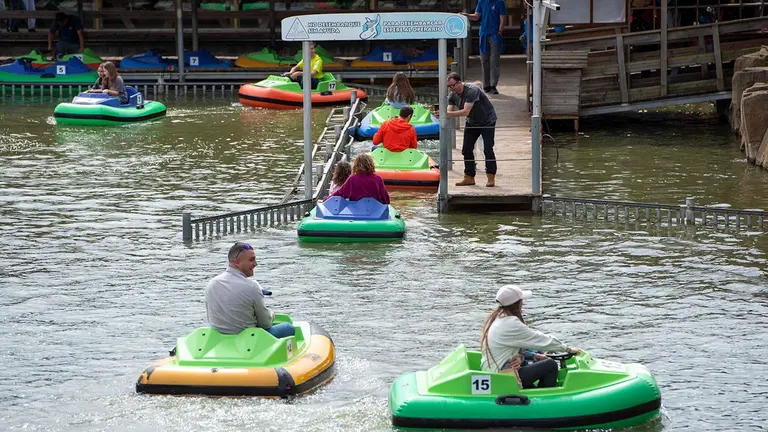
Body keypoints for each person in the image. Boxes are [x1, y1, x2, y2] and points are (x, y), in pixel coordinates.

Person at [480, 285, 582, 389]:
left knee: (536, 362)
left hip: (495, 371)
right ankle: (545, 396)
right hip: (501, 377)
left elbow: (509, 346)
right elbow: (540, 340)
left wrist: (521, 357)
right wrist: (567, 349)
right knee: (550, 365)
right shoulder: (510, 324)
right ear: (517, 304)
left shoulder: (498, 318)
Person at [205, 242, 295, 338]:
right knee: (288, 327)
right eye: (251, 260)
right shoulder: (252, 286)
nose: (255, 264)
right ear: (237, 262)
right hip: (248, 339)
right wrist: (271, 315)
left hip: (219, 338)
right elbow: (265, 324)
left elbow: (210, 319)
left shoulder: (211, 284)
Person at [444, 72, 498, 187]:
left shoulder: (472, 90)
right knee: (466, 149)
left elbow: (465, 111)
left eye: (452, 85)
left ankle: (490, 176)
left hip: (487, 121)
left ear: (459, 82)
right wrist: (443, 114)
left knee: (488, 149)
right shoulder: (452, 95)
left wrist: (448, 114)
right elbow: (449, 111)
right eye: (448, 86)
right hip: (472, 122)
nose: (450, 88)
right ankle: (469, 177)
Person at [462, 0, 506, 94]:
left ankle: (493, 85)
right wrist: (465, 15)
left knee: (494, 61)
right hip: (483, 34)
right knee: (484, 60)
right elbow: (476, 16)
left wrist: (499, 32)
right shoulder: (481, 1)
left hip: (494, 34)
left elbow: (503, 19)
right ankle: (486, 85)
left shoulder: (500, 2)